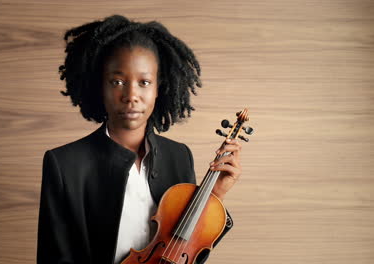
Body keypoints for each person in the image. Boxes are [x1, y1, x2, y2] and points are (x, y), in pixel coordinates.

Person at [37, 15, 242, 264]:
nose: (131, 95)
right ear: (100, 86)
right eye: (117, 82)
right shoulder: (64, 164)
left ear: (159, 88)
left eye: (144, 82)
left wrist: (214, 195)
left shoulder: (178, 156)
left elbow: (186, 254)